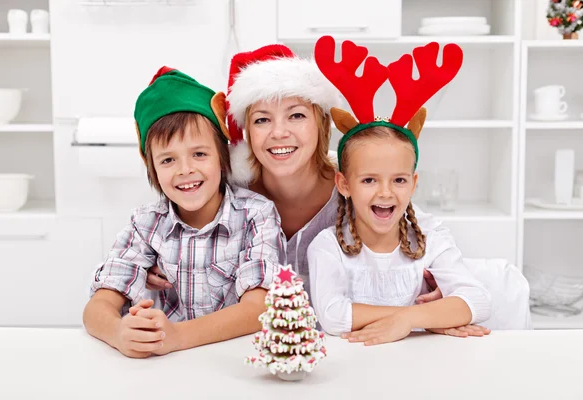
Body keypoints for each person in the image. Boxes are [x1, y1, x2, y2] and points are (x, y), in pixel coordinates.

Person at [144, 41, 489, 335]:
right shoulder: (229, 198)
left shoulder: (359, 187)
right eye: (262, 119)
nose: (279, 132)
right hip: (254, 352)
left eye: (296, 116)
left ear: (322, 122)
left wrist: (427, 299)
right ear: (245, 131)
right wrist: (161, 261)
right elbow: (174, 228)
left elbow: (410, 229)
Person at [82, 67, 285, 358]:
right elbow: (98, 306)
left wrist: (176, 336)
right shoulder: (146, 224)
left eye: (199, 154)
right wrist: (118, 332)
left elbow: (257, 309)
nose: (185, 170)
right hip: (168, 366)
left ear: (222, 155)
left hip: (234, 362)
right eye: (167, 160)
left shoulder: (256, 214)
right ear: (151, 166)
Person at [307, 36, 492, 345]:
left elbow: (479, 300)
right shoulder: (328, 246)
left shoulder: (431, 237)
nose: (385, 193)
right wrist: (431, 318)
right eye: (369, 180)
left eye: (399, 180)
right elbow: (333, 316)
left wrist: (408, 320)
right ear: (344, 184)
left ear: (414, 183)